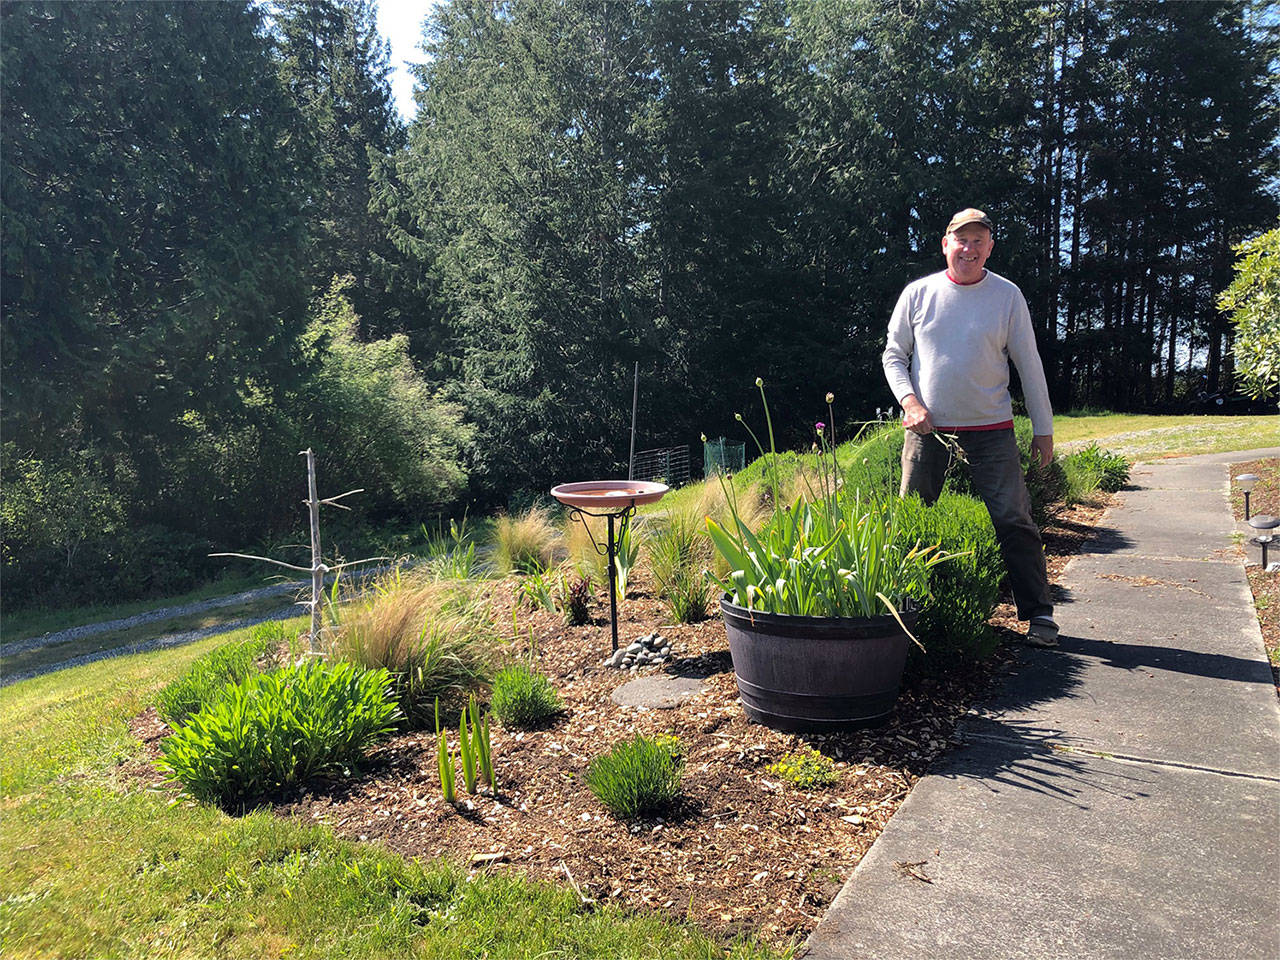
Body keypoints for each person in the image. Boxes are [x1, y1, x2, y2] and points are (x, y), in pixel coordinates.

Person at [881, 208, 1059, 647]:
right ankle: (901, 612)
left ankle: (1039, 616)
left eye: (979, 241)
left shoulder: (1007, 296)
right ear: (945, 245)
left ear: (990, 247)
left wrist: (1043, 429)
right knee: (911, 519)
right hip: (927, 430)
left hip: (992, 428)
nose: (969, 249)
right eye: (961, 240)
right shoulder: (918, 294)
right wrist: (910, 402)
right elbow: (893, 355)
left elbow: (1029, 364)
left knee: (1014, 520)